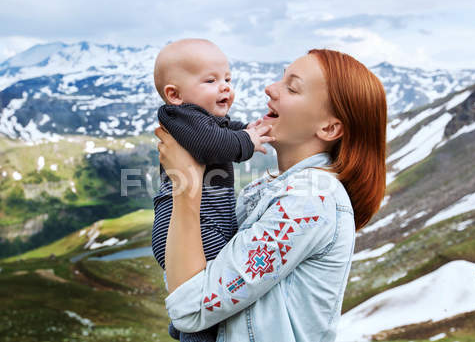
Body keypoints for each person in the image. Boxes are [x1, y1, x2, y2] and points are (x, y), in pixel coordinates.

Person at [155, 49, 387, 342]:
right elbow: (191, 274)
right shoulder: (264, 191)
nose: (270, 88)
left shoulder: (310, 201)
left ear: (328, 128)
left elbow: (190, 309)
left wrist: (185, 186)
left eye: (291, 87)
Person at [151, 38, 274, 341]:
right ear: (174, 95)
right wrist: (247, 142)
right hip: (188, 221)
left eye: (228, 79)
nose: (225, 87)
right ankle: (191, 330)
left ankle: (185, 327)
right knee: (206, 290)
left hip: (206, 218)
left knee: (206, 291)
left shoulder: (198, 118)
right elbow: (212, 144)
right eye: (211, 80)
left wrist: (249, 130)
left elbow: (225, 129)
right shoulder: (179, 117)